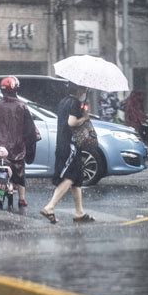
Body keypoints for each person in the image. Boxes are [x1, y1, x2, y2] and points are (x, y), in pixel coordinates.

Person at [40, 86, 95, 224]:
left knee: (77, 179)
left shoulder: (64, 101)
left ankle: (79, 212)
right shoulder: (75, 103)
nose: (84, 93)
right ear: (79, 91)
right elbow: (72, 122)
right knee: (70, 177)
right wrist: (84, 118)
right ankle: (50, 207)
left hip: (63, 144)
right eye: (83, 90)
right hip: (71, 146)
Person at [0, 76, 38, 209]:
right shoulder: (22, 106)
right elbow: (30, 131)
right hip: (17, 150)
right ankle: (22, 199)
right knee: (20, 173)